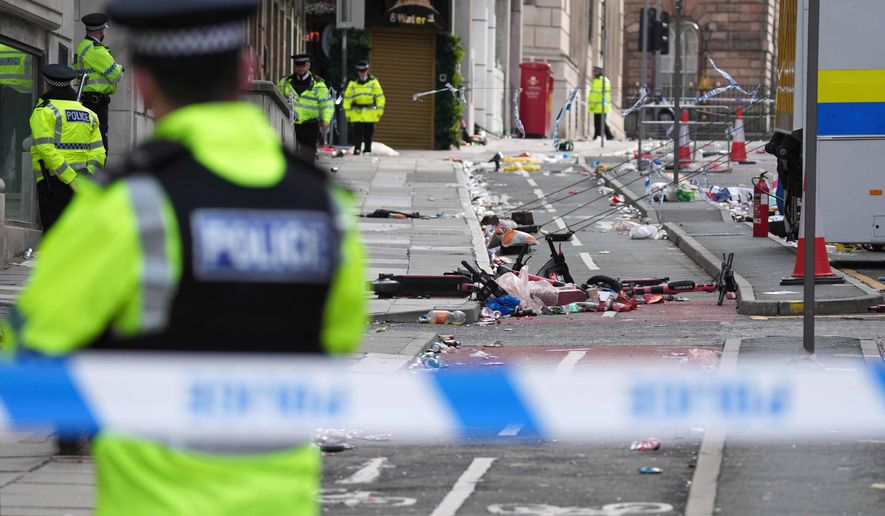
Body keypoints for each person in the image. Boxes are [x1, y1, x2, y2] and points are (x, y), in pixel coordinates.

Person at [3, 1, 366, 514]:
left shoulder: (126, 205)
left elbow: (31, 345)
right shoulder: (322, 206)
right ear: (246, 71)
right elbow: (338, 336)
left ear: (146, 86)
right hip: (279, 500)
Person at [29, 64, 105, 231]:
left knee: (54, 237)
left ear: (47, 85)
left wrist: (70, 178)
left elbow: (45, 149)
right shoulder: (89, 114)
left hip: (53, 184)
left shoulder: (44, 111)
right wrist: (88, 175)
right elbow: (99, 151)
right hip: (83, 182)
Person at [73, 12, 124, 152]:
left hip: (88, 101)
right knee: (100, 146)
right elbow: (117, 74)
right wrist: (120, 67)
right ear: (101, 30)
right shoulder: (96, 50)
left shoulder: (83, 46)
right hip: (96, 103)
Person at [277, 54, 333, 160]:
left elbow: (326, 104)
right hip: (291, 125)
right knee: (292, 155)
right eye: (298, 65)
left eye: (303, 65)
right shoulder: (285, 82)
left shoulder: (318, 84)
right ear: (295, 66)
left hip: (310, 125)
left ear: (308, 66)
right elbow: (278, 99)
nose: (300, 68)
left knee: (308, 155)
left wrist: (326, 120)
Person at [343, 60, 385, 155]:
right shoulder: (352, 84)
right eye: (360, 71)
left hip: (370, 113)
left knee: (368, 132)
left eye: (364, 71)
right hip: (356, 112)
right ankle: (357, 150)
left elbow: (380, 98)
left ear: (367, 71)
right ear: (357, 72)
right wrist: (348, 114)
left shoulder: (374, 82)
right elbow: (347, 100)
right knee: (357, 132)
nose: (362, 73)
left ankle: (367, 150)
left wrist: (379, 112)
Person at [588, 66, 614, 141]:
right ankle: (599, 136)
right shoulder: (606, 80)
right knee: (601, 122)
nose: (593, 73)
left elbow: (595, 95)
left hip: (598, 105)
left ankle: (604, 136)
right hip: (603, 105)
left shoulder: (598, 81)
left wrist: (592, 105)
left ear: (599, 72)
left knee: (598, 123)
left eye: (594, 71)